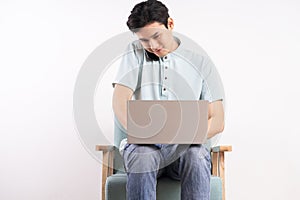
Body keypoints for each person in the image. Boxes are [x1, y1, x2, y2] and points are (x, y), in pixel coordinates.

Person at [112, 0, 225, 199]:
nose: (152, 46)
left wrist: (187, 135)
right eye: (144, 40)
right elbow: (119, 101)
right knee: (142, 156)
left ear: (170, 24)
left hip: (185, 148)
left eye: (156, 36)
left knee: (196, 155)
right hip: (144, 147)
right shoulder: (134, 52)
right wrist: (140, 132)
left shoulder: (200, 61)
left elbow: (217, 120)